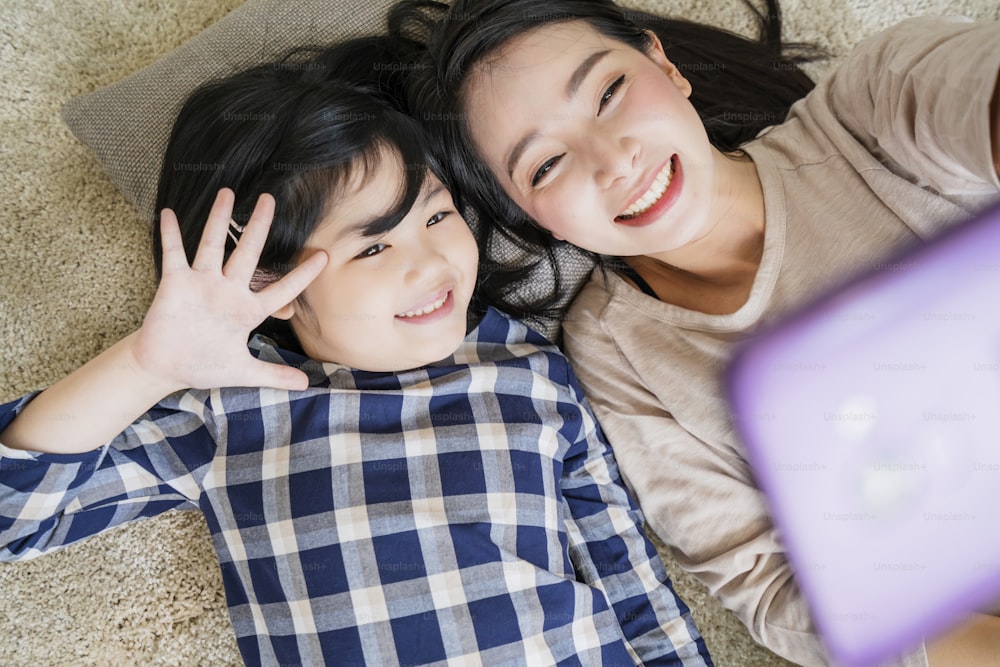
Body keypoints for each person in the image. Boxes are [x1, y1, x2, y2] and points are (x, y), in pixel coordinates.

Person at [0, 37, 713, 667]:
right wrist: (146, 364)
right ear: (268, 284)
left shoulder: (527, 369)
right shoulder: (236, 410)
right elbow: (14, 511)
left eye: (436, 213)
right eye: (374, 245)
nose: (431, 261)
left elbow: (629, 576)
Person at [390, 0, 1000, 665]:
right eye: (544, 165)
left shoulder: (875, 108)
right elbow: (782, 592)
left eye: (609, 92)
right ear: (532, 220)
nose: (614, 160)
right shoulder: (618, 352)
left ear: (663, 63)